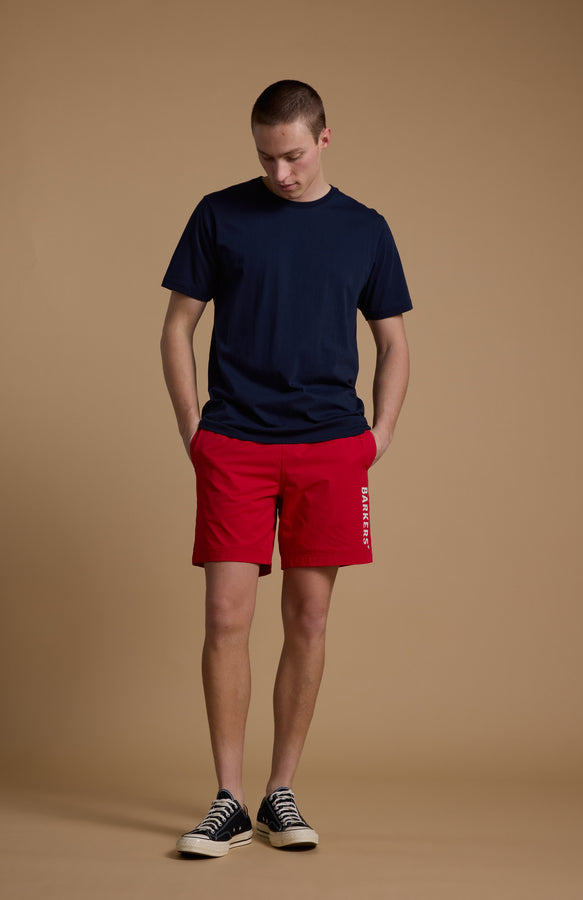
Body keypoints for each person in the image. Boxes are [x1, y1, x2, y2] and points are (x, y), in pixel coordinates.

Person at [160, 79, 412, 857]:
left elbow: (395, 342)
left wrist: (378, 436)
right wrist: (193, 429)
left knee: (308, 618)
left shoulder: (365, 229)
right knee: (225, 618)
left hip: (331, 446)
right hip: (235, 442)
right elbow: (176, 328)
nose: (281, 173)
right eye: (267, 157)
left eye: (294, 155)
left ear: (324, 139)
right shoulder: (219, 214)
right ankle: (228, 798)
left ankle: (280, 792)